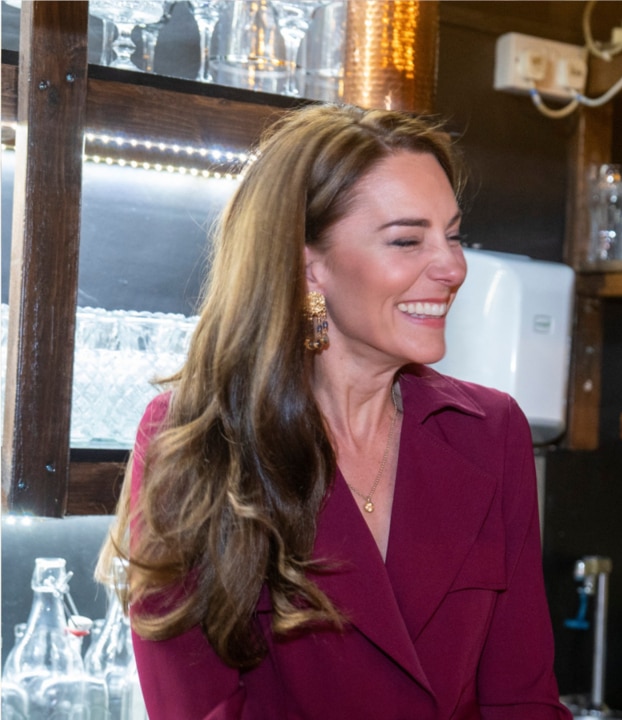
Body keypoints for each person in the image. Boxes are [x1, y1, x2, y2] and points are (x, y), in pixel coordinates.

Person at [100, 104, 572, 719]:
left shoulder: (489, 431)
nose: (453, 267)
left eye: (452, 235)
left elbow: (523, 700)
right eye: (407, 240)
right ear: (309, 266)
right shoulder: (192, 438)